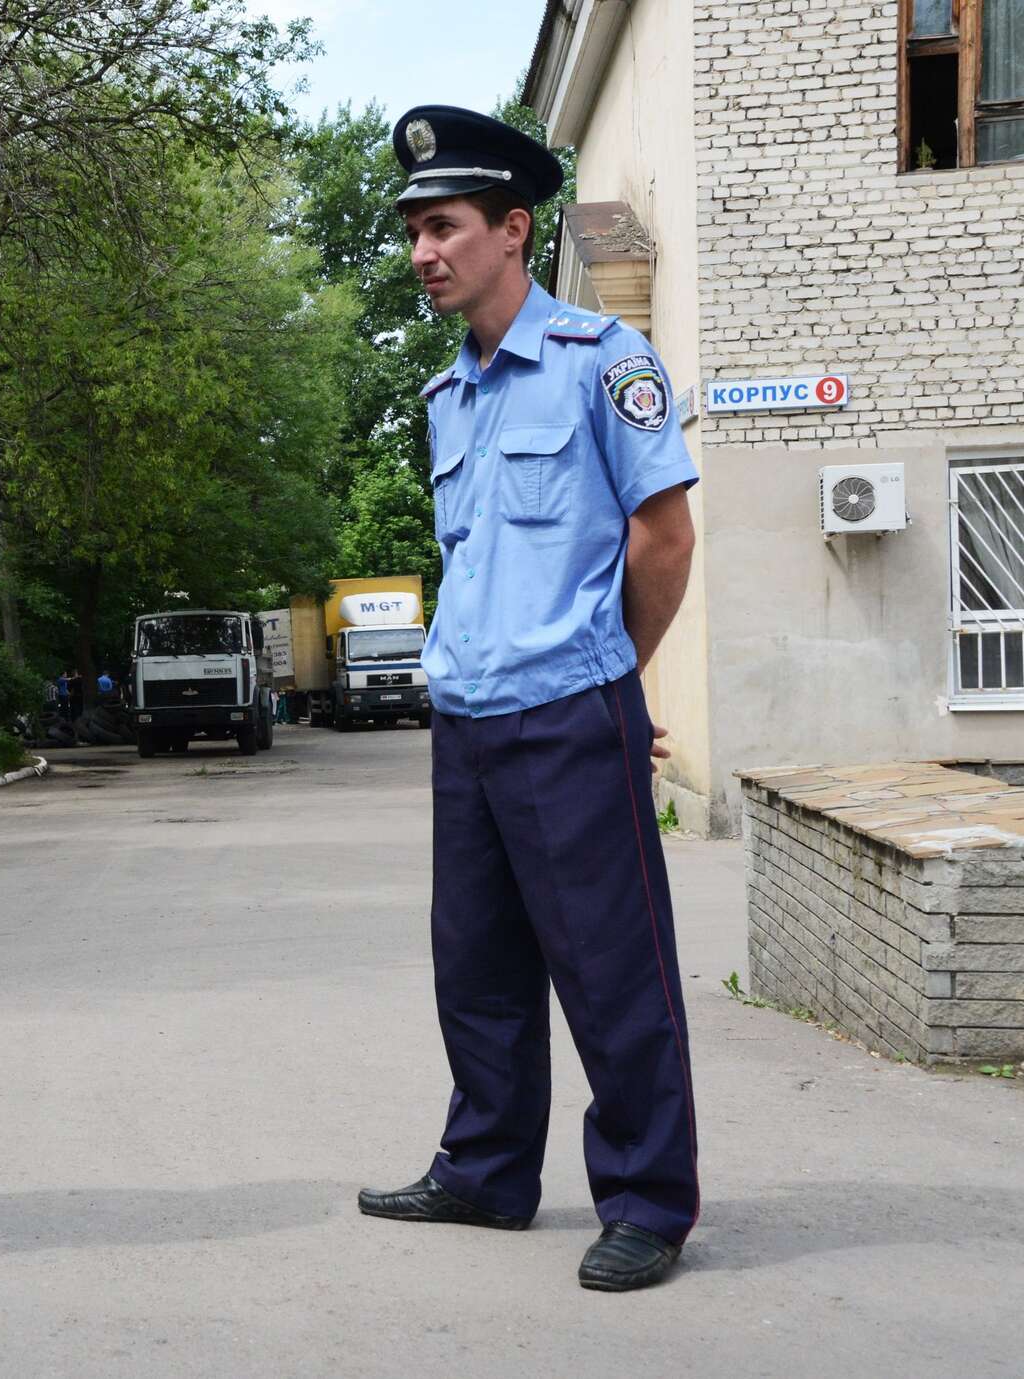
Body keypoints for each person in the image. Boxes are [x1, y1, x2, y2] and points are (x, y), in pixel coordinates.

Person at [355, 108, 701, 1292]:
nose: (421, 251)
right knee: (477, 965)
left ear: (512, 229)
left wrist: (613, 678)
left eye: (442, 226)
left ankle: (646, 1199)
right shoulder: (446, 396)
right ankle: (486, 1169)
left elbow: (662, 535)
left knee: (610, 969)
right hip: (466, 715)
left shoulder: (603, 360)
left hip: (566, 712)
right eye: (412, 230)